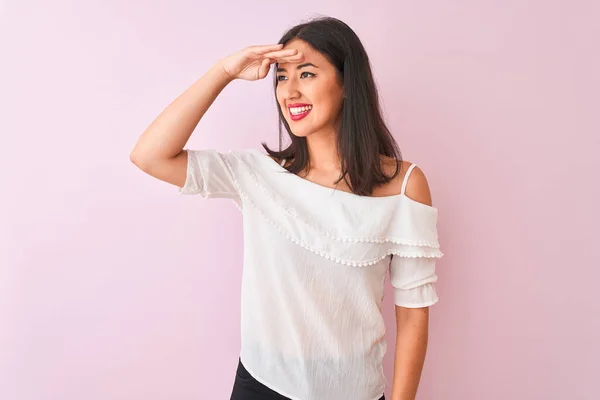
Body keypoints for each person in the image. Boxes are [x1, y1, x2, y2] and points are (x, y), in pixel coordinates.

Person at [130, 16, 443, 400]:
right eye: (281, 77)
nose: (289, 91)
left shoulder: (405, 186)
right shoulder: (257, 175)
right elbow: (149, 156)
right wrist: (222, 72)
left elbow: (413, 313)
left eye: (307, 74)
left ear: (347, 84)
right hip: (261, 385)